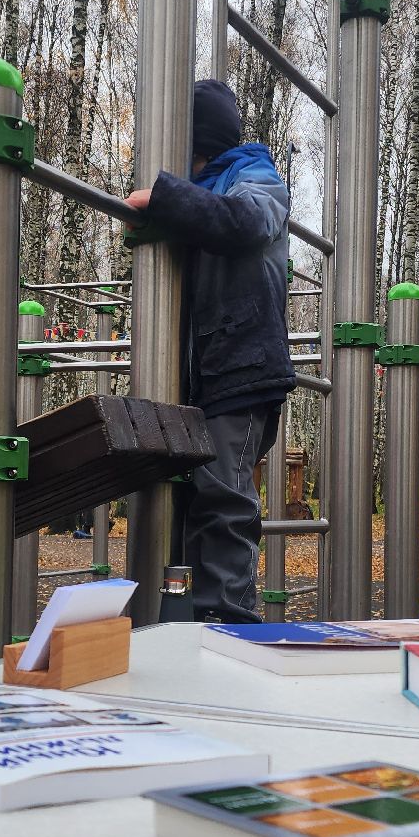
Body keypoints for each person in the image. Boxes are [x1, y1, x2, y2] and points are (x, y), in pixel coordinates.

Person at [123, 79, 293, 623]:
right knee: (186, 497)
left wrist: (169, 198)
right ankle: (182, 623)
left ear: (201, 146)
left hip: (240, 370)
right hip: (199, 375)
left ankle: (229, 624)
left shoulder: (255, 177)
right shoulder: (209, 189)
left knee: (221, 496)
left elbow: (245, 223)